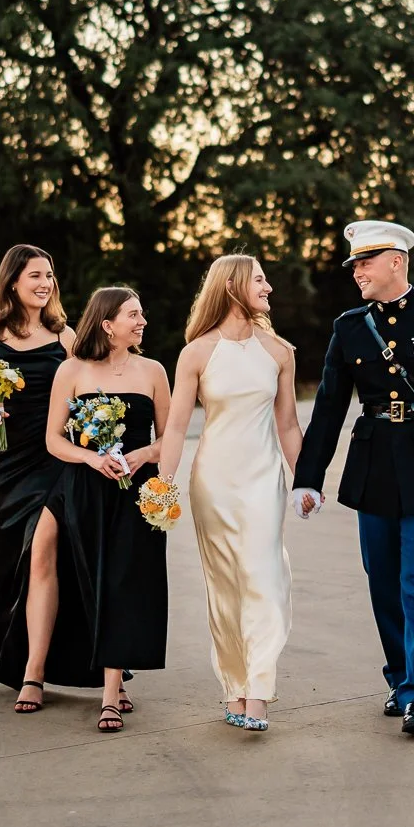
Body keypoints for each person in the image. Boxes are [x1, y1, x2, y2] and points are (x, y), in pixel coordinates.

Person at [293, 221, 414, 738]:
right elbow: (330, 408)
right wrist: (308, 478)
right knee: (383, 584)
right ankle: (400, 677)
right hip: (374, 467)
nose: (357, 271)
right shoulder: (351, 327)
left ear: (397, 262)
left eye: (366, 261)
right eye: (355, 263)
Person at [155, 254, 303, 732]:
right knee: (224, 587)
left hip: (263, 479)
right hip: (213, 481)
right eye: (260, 280)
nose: (269, 288)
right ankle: (234, 688)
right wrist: (162, 484)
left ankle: (259, 691)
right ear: (234, 285)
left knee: (264, 578)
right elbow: (176, 427)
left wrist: (305, 481)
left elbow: (288, 424)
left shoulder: (280, 351)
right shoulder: (196, 352)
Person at [43, 287, 172, 733]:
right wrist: (92, 458)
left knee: (124, 584)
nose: (142, 321)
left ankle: (110, 695)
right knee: (95, 584)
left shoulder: (153, 370)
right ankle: (112, 678)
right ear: (107, 324)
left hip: (137, 494)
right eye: (133, 315)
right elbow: (54, 439)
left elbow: (168, 438)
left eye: (142, 313)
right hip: (87, 490)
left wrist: (144, 457)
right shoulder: (72, 370)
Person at [0, 246, 79, 712]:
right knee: (9, 563)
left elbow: (85, 392)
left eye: (49, 275)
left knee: (46, 552)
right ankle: (16, 660)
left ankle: (36, 670)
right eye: (35, 276)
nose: (45, 283)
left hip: (51, 459)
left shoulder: (64, 335)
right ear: (12, 281)